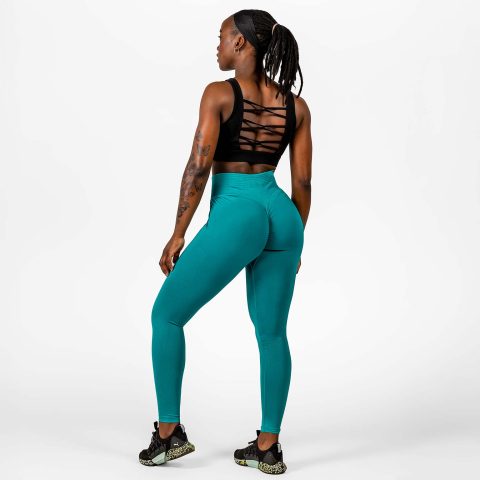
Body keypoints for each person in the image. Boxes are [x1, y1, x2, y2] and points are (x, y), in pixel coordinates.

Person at [139, 9, 312, 475]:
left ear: (241, 43)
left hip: (239, 212)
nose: (216, 46)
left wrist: (178, 232)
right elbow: (303, 183)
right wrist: (297, 241)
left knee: (166, 315)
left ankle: (168, 435)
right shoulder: (296, 107)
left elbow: (199, 166)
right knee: (272, 333)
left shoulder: (219, 93)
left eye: (221, 36)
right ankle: (268, 446)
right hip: (283, 215)